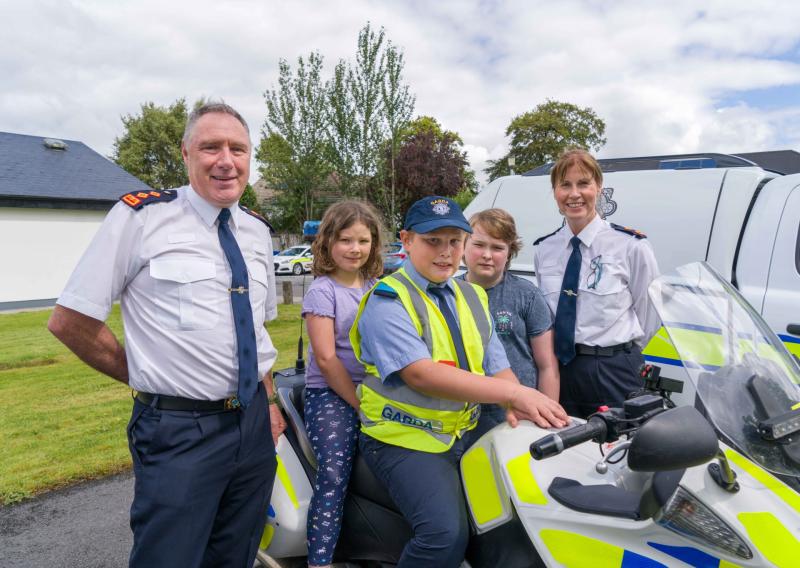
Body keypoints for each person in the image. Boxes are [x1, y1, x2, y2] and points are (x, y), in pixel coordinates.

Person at [47, 102, 285, 568]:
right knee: (169, 556)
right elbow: (71, 320)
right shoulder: (141, 218)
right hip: (179, 430)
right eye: (210, 147)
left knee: (237, 552)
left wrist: (270, 403)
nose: (226, 160)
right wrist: (144, 375)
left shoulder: (257, 232)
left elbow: (254, 330)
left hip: (253, 425)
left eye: (238, 148)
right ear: (185, 154)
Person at [351, 195, 568, 568]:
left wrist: (521, 410)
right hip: (405, 438)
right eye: (432, 240)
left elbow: (496, 364)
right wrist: (514, 392)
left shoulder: (471, 294)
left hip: (462, 432)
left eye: (454, 241)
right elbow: (422, 374)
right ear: (406, 240)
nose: (445, 252)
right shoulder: (388, 299)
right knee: (443, 536)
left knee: (515, 518)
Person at [534, 148, 660, 419]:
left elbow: (649, 314)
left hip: (614, 369)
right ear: (555, 192)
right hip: (559, 371)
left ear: (599, 188)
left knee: (620, 449)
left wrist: (616, 354)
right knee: (562, 447)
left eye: (583, 183)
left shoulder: (631, 246)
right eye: (564, 185)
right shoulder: (544, 249)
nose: (574, 194)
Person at [302, 200, 383, 568]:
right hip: (330, 393)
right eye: (346, 240)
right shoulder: (323, 290)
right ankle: (320, 560)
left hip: (373, 390)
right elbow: (326, 359)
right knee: (334, 474)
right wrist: (357, 402)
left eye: (363, 240)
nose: (355, 249)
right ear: (328, 243)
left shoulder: (377, 286)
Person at [460, 208, 559, 426]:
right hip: (462, 415)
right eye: (478, 245)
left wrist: (545, 415)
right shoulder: (447, 295)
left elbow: (547, 366)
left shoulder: (527, 295)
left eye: (497, 248)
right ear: (463, 246)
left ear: (509, 253)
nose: (487, 255)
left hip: (517, 414)